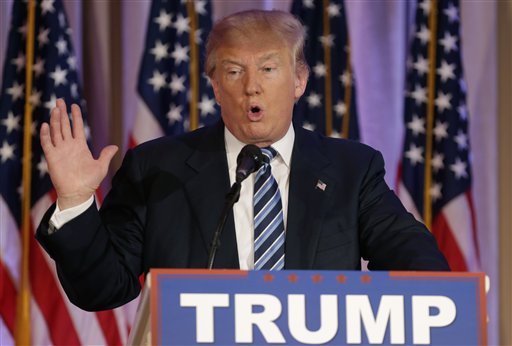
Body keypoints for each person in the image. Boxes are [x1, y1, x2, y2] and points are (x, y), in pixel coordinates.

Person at [36, 9, 449, 311]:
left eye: (269, 68)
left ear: (299, 81)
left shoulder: (352, 170)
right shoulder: (156, 169)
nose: (252, 87)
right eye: (234, 72)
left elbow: (418, 265)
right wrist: (75, 201)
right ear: (215, 86)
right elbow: (101, 289)